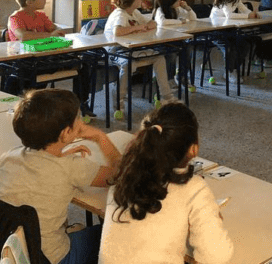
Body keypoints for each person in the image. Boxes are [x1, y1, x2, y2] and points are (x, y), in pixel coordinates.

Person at [0, 88, 121, 264]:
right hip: (51, 258)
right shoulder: (72, 167)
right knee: (111, 234)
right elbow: (121, 174)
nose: (81, 122)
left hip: (12, 250)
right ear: (66, 133)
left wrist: (60, 153)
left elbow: (43, 166)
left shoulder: (9, 157)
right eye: (77, 118)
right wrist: (100, 137)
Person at [98, 103, 234, 264]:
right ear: (193, 149)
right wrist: (210, 219)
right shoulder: (194, 188)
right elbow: (216, 256)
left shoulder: (126, 173)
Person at [7, 0, 95, 117]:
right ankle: (31, 106)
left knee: (84, 62)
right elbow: (23, 36)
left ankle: (81, 104)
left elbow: (55, 29)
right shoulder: (15, 18)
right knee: (29, 78)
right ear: (29, 2)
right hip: (26, 62)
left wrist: (57, 31)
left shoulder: (40, 16)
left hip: (46, 58)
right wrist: (50, 35)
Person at [104, 0, 175, 114]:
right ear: (131, 0)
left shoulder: (135, 12)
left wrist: (147, 25)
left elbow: (153, 23)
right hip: (116, 51)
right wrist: (138, 28)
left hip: (133, 49)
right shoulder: (120, 14)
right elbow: (117, 32)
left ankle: (166, 96)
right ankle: (119, 100)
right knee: (127, 64)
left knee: (159, 58)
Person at [152, 0, 197, 85]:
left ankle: (182, 76)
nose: (179, 0)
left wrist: (187, 8)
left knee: (188, 47)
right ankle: (169, 78)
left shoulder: (178, 9)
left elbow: (193, 18)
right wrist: (180, 21)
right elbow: (163, 22)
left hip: (175, 40)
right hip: (163, 42)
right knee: (171, 53)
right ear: (170, 1)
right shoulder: (160, 10)